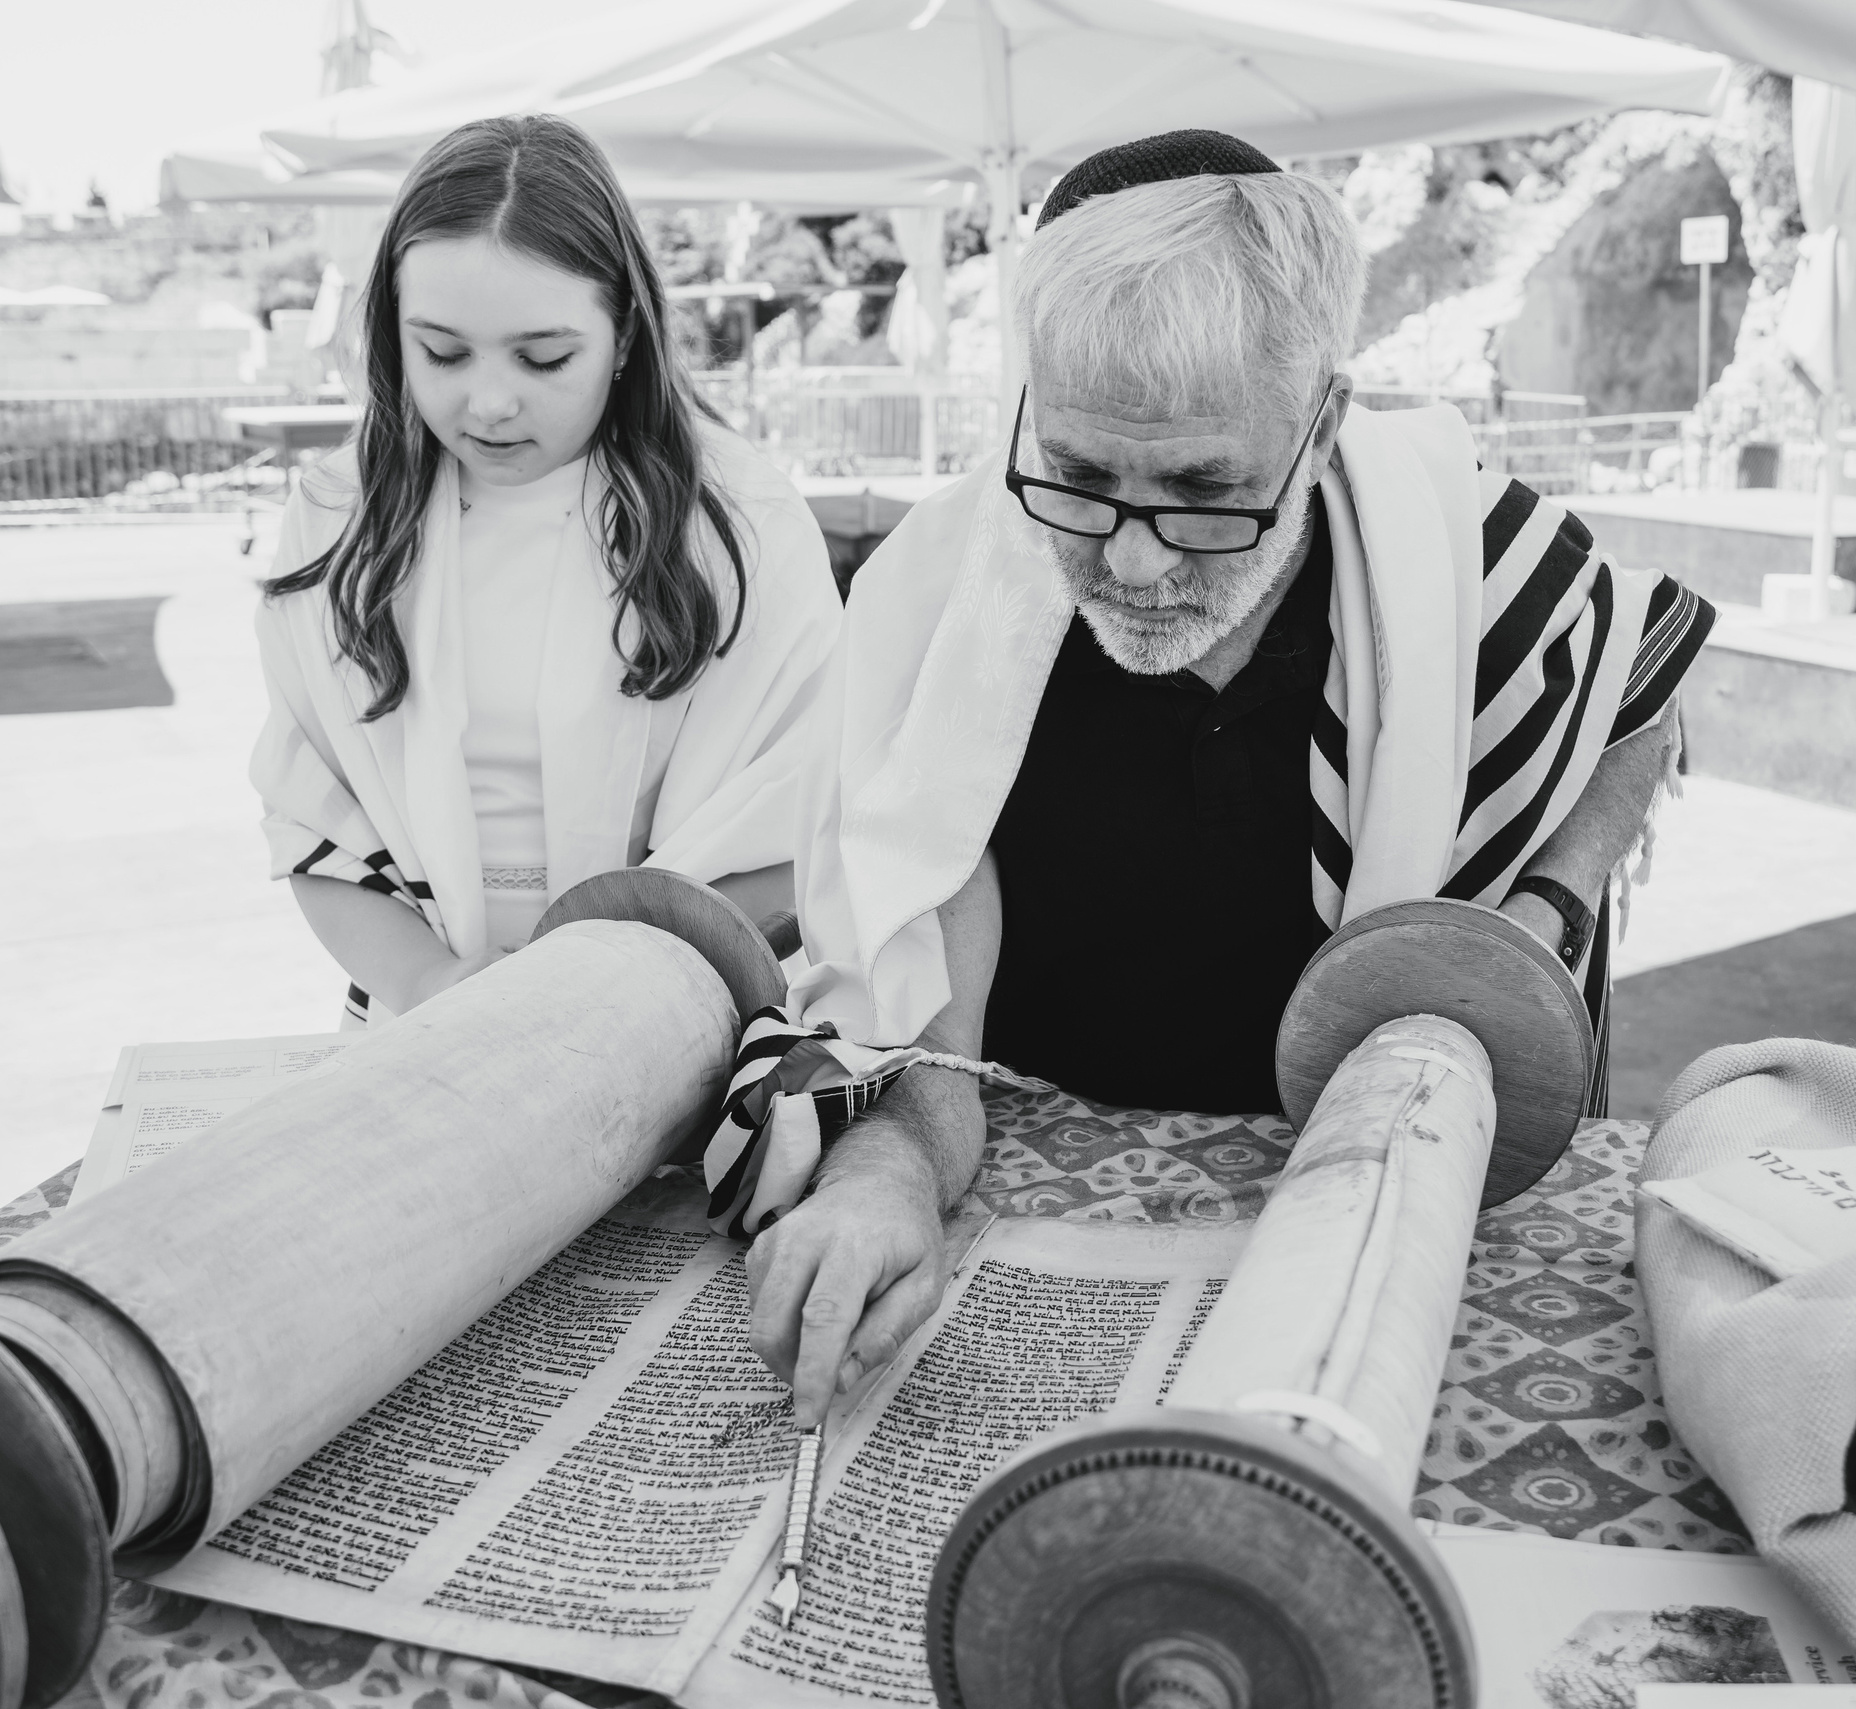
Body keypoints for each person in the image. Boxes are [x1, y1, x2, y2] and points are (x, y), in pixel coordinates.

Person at [748, 131, 1715, 1423]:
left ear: (1322, 421)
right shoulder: (938, 613)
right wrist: (885, 1173)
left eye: (1206, 494)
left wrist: (1551, 908)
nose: (1136, 568)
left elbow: (1636, 692)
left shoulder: (1478, 559)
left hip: (1378, 1205)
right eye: (1082, 480)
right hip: (1045, 1193)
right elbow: (925, 1013)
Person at [253, 116, 840, 1023]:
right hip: (419, 1016)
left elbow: (804, 809)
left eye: (544, 356)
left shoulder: (738, 526)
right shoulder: (340, 519)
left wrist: (611, 981)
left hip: (674, 1016)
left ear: (627, 333)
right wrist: (426, 982)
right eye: (442, 352)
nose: (488, 402)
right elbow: (311, 812)